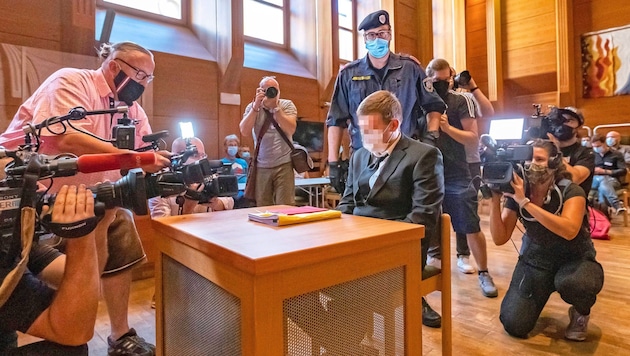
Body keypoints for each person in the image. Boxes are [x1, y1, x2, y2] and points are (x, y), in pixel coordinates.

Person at [0, 41, 171, 356]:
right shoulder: (72, 81)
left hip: (87, 196)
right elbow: (68, 136)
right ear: (113, 66)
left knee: (120, 222)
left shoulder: (133, 110)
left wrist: (160, 164)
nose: (143, 84)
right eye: (140, 74)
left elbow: (144, 153)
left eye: (149, 78)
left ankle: (120, 336)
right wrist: (131, 157)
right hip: (28, 195)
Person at [287, 91, 444, 353]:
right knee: (292, 286)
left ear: (393, 125)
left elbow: (422, 220)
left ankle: (343, 346)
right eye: (359, 130)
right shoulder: (360, 156)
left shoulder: (424, 156)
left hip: (398, 254)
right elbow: (347, 204)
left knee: (350, 288)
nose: (362, 138)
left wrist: (371, 246)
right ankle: (347, 348)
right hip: (354, 248)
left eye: (369, 130)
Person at [488, 139, 604, 341]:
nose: (531, 163)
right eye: (528, 158)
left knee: (577, 284)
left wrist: (525, 203)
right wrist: (495, 199)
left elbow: (569, 230)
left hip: (574, 257)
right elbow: (500, 238)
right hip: (537, 258)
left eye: (539, 159)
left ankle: (581, 311)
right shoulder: (519, 191)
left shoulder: (570, 190)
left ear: (553, 162)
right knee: (514, 323)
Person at [326, 9, 446, 195]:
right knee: (363, 213)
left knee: (403, 212)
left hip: (404, 157)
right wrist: (333, 162)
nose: (377, 39)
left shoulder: (410, 68)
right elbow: (336, 119)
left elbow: (433, 105)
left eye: (382, 33)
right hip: (363, 157)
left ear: (390, 35)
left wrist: (431, 136)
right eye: (371, 35)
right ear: (365, 39)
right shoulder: (349, 74)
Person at [0, 185, 116, 355]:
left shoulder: (9, 244)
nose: (40, 189)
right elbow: (75, 330)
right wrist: (79, 237)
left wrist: (97, 225)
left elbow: (87, 285)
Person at [424, 58, 498, 298]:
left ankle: (484, 272)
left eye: (444, 80)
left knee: (469, 223)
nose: (440, 85)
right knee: (428, 223)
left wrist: (447, 129)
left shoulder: (460, 100)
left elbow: (472, 138)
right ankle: (431, 266)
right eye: (435, 81)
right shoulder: (422, 102)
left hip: (457, 171)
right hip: (429, 172)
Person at [452, 67, 495, 275]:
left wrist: (473, 87)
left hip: (470, 160)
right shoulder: (439, 98)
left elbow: (489, 112)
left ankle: (463, 254)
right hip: (447, 159)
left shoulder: (467, 98)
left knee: (466, 209)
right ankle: (437, 253)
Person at [239, 76, 298, 206]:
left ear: (279, 91)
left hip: (284, 164)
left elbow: (290, 129)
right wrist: (255, 107)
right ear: (260, 91)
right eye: (266, 90)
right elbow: (244, 131)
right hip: (262, 166)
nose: (270, 93)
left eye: (274, 89)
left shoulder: (286, 105)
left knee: (286, 207)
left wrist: (276, 108)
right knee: (263, 207)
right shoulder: (253, 107)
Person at [149, 137, 234, 218]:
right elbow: (162, 228)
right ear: (176, 158)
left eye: (203, 155)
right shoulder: (161, 183)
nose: (201, 160)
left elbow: (230, 201)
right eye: (195, 155)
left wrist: (215, 203)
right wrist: (188, 207)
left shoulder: (209, 176)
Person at [545, 107, 594, 197]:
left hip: (573, 202)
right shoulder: (543, 149)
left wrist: (554, 151)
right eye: (560, 120)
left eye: (569, 120)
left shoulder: (586, 153)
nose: (563, 124)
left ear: (579, 126)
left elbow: (575, 178)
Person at [590, 134, 627, 214]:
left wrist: (605, 172)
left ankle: (604, 215)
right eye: (594, 146)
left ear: (605, 143)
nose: (596, 148)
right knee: (602, 180)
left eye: (598, 146)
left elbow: (623, 171)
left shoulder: (616, 154)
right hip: (593, 180)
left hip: (612, 180)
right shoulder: (591, 155)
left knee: (602, 187)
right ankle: (617, 205)